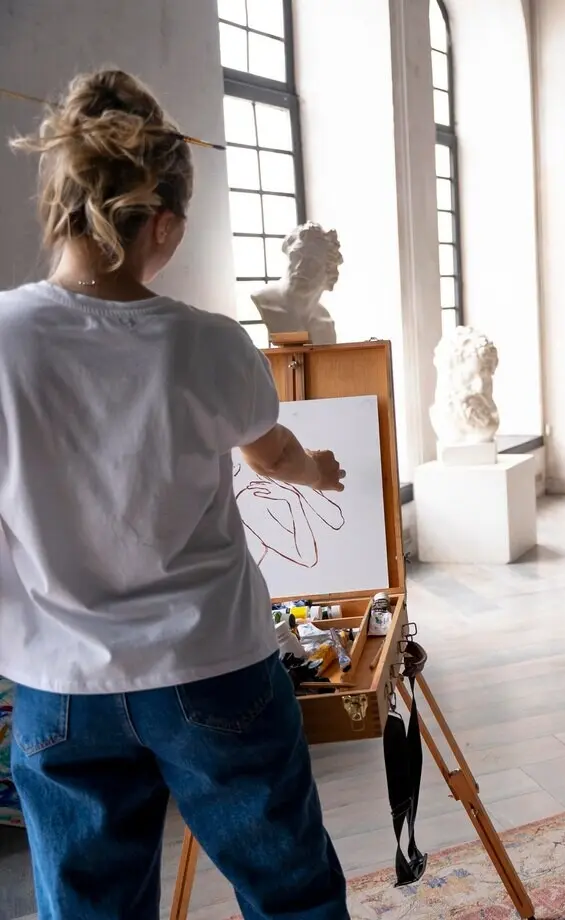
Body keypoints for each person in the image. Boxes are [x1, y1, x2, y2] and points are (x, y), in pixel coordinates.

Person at [0, 69, 350, 919]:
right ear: (163, 224)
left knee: (89, 907)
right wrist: (320, 472)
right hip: (213, 668)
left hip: (58, 682)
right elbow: (272, 457)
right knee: (290, 889)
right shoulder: (210, 342)